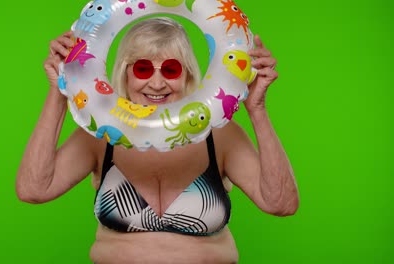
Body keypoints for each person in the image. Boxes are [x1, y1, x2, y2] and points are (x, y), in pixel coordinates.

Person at [16, 17, 299, 264]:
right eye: (142, 69)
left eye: (171, 69)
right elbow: (33, 190)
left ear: (187, 73)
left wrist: (257, 110)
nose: (157, 83)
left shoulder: (219, 132)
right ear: (125, 73)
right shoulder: (102, 134)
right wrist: (59, 90)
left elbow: (281, 204)